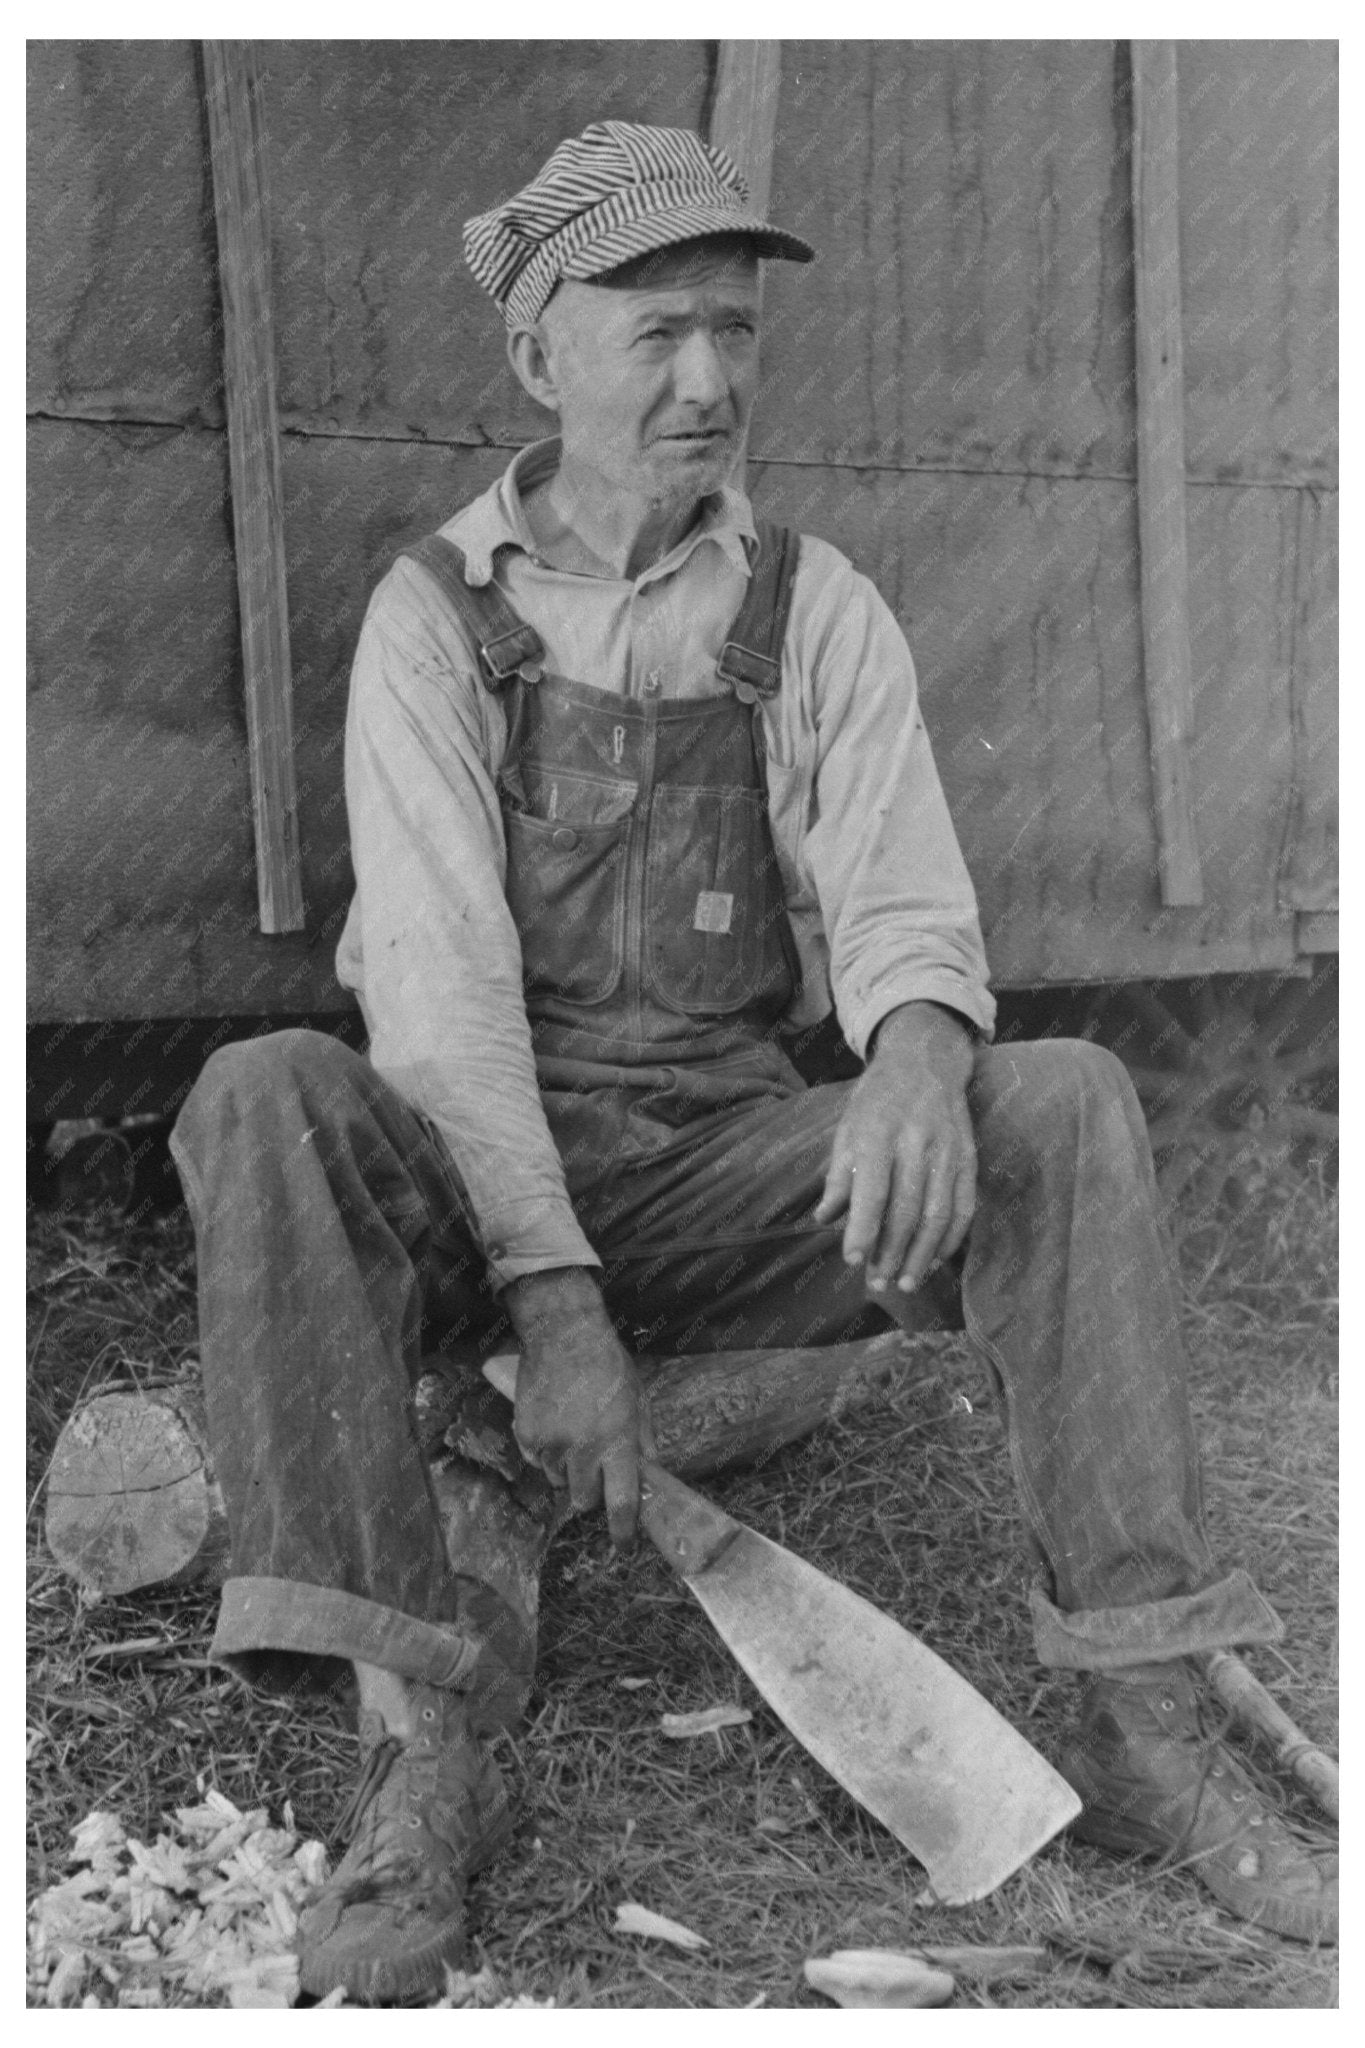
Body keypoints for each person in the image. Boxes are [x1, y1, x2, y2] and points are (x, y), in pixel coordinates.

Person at [171, 120, 1336, 2003]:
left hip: (723, 1177)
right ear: (537, 355)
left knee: (1059, 1101)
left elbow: (905, 908)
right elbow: (448, 1008)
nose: (709, 379)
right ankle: (420, 1757)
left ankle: (1139, 1723)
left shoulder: (812, 605)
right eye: (655, 333)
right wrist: (552, 1315)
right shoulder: (433, 619)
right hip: (477, 1186)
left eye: (734, 330)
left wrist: (911, 1057)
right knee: (264, 1095)